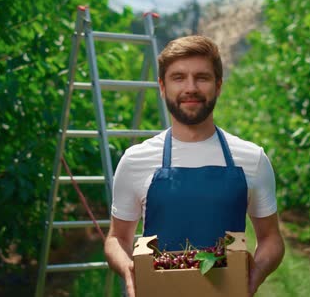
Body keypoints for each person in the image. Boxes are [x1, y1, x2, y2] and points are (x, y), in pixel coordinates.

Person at [104, 35, 284, 296]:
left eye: (202, 77)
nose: (191, 87)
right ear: (162, 87)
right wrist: (130, 272)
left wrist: (253, 275)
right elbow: (116, 238)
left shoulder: (251, 159)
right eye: (178, 78)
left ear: (218, 85)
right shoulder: (135, 161)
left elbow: (270, 238)